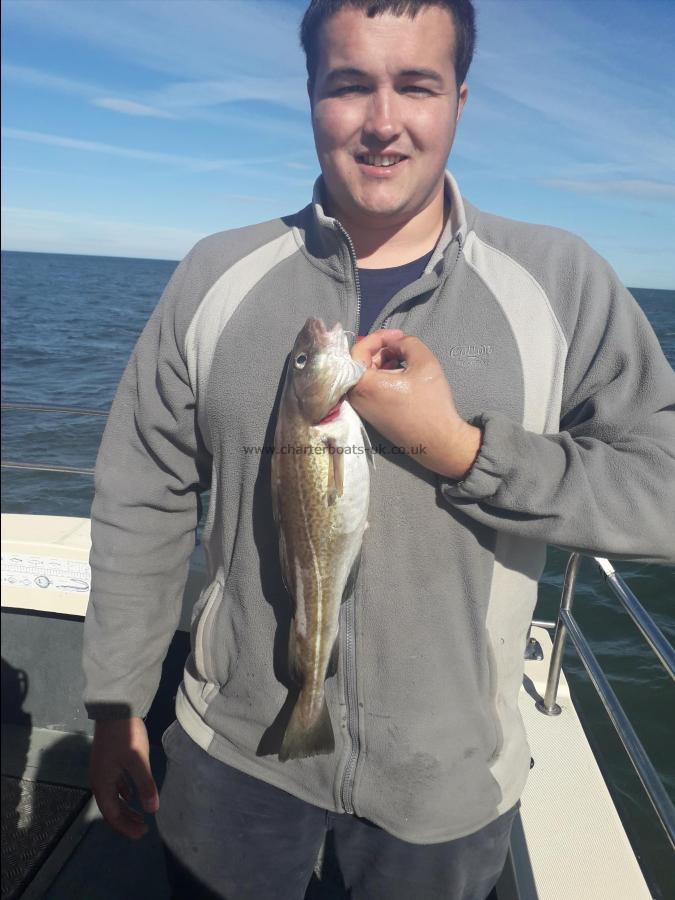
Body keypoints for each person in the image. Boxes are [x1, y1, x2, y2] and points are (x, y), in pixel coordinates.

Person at [83, 1, 675, 898]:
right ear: (312, 96)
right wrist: (116, 702)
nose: (383, 120)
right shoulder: (214, 273)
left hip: (446, 791)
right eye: (350, 83)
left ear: (461, 102)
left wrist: (464, 451)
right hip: (230, 753)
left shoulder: (560, 281)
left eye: (416, 85)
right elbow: (143, 493)